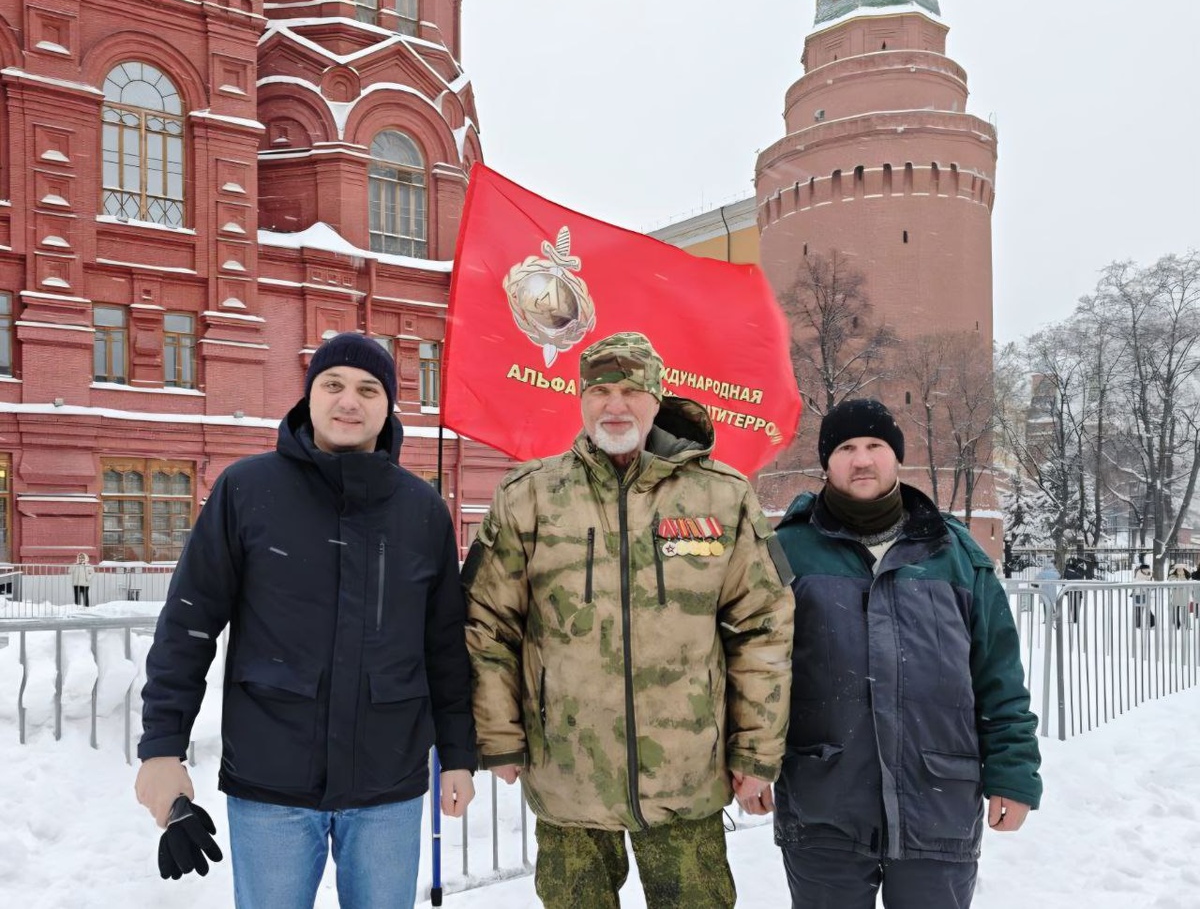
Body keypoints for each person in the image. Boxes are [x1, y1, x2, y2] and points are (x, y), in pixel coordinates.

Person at [135, 332, 476, 908]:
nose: (349, 401)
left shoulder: (421, 510)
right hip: (272, 781)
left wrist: (458, 755)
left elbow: (443, 646)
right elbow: (188, 626)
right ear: (309, 395)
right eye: (333, 384)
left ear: (389, 406)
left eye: (368, 390)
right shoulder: (247, 490)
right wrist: (162, 749)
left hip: (387, 784)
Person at [463, 332, 794, 908]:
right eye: (599, 391)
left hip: (687, 776)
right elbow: (489, 624)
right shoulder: (530, 496)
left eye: (631, 391)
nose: (614, 406)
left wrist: (755, 753)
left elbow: (761, 628)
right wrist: (499, 737)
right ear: (580, 398)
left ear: (656, 399)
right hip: (567, 773)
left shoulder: (720, 497)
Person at [772, 398, 1042, 909]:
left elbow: (998, 676)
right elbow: (754, 667)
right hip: (823, 800)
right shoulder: (787, 552)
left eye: (875, 445)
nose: (862, 460)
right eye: (846, 449)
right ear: (826, 462)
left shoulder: (955, 555)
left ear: (897, 456)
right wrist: (750, 760)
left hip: (937, 801)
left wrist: (1013, 771)